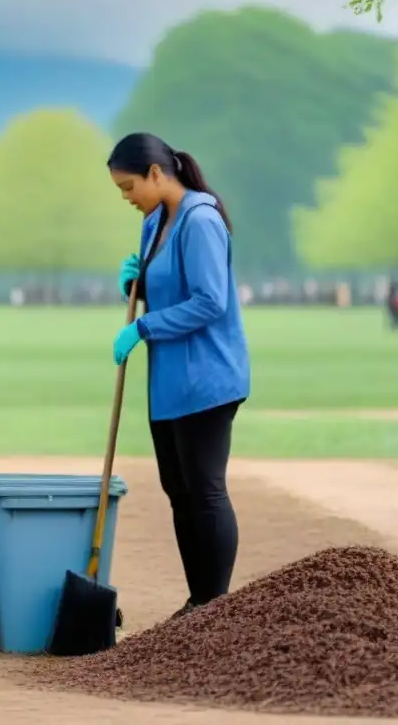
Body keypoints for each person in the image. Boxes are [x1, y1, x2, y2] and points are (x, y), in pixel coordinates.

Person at [108, 132, 250, 617]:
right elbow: (169, 287)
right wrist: (138, 283)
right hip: (168, 383)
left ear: (155, 173)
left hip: (207, 379)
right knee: (179, 491)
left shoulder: (201, 220)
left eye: (129, 187)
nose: (127, 198)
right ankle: (198, 603)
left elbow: (211, 301)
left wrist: (143, 326)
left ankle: (215, 606)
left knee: (205, 489)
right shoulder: (155, 223)